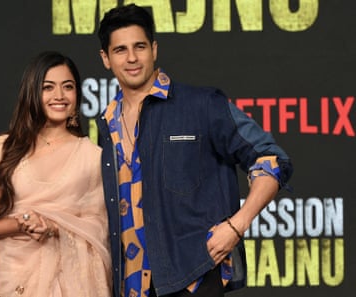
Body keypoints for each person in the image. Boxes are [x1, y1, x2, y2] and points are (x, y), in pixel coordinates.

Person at [96, 4, 293, 297]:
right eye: (120, 50)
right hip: (130, 286)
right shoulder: (105, 124)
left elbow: (271, 159)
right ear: (106, 59)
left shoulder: (201, 105)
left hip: (194, 276)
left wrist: (237, 225)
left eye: (140, 46)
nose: (132, 58)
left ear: (154, 49)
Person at [0, 51, 112, 297]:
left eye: (68, 87)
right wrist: (20, 224)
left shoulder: (93, 157)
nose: (59, 96)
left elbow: (101, 228)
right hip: (13, 284)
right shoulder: (3, 148)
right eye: (48, 87)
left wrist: (55, 228)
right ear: (32, 93)